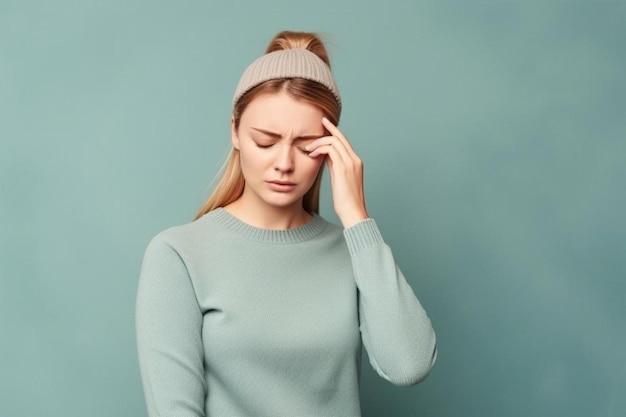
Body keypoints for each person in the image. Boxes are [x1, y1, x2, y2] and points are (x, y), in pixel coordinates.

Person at [136, 30, 437, 417]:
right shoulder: (179, 254)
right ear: (235, 132)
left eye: (305, 145)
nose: (284, 163)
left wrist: (357, 219)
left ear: (331, 148)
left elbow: (409, 365)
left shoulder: (356, 254)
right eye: (265, 141)